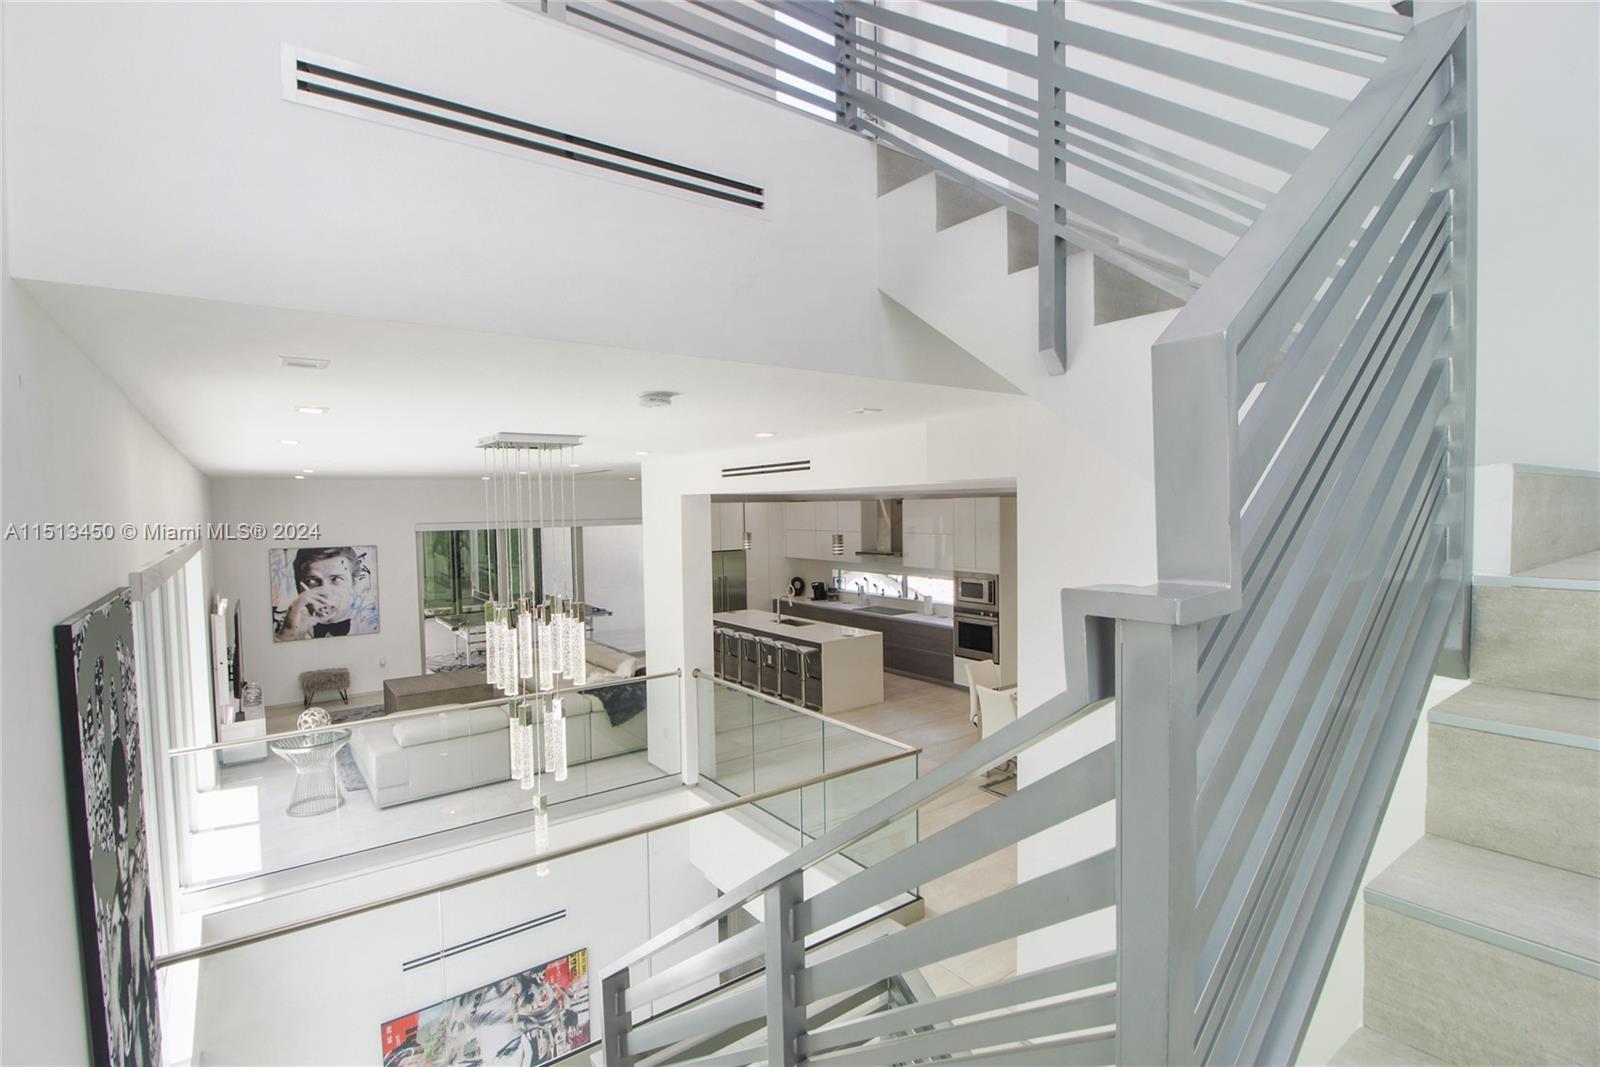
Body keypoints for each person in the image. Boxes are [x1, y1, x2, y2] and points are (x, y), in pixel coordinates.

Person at [276, 546, 360, 640]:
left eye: (336, 579)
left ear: (354, 584)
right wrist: (288, 634)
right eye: (312, 581)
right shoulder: (285, 631)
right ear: (299, 588)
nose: (325, 592)